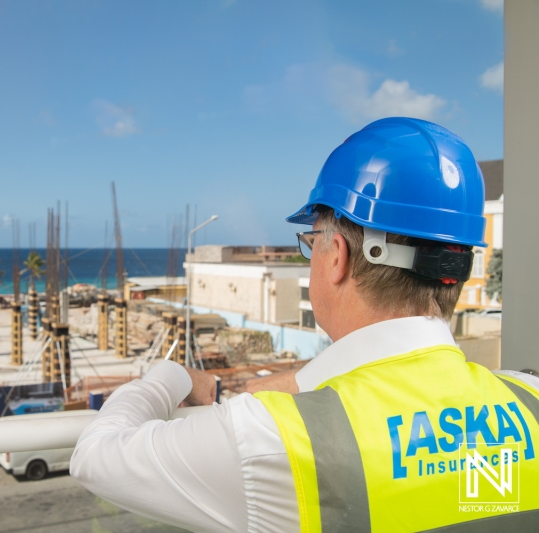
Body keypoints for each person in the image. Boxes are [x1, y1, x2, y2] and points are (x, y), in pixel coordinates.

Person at [71, 118, 539, 532]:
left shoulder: (277, 440)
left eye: (310, 241)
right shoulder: (527, 400)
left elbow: (96, 458)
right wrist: (299, 381)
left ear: (336, 256)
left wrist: (172, 374)